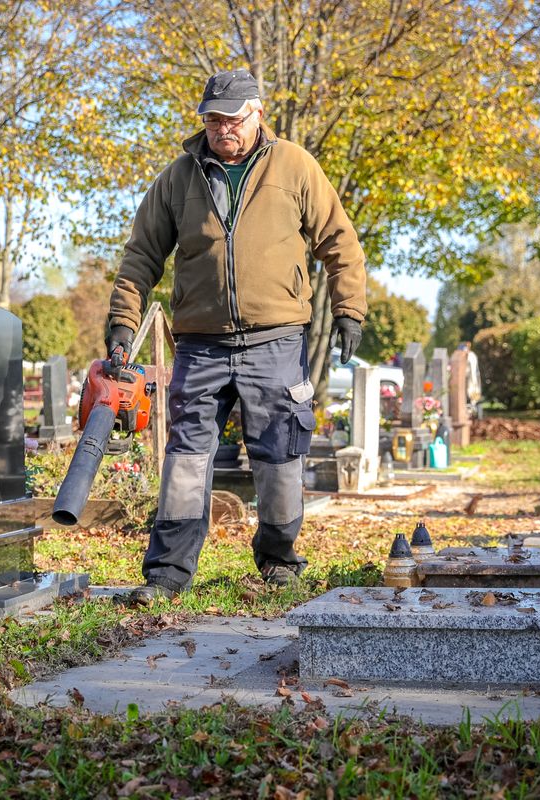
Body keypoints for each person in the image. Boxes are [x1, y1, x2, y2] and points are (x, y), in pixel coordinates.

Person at [106, 68, 367, 607]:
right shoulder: (178, 178)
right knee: (186, 459)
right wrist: (122, 327)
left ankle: (279, 561)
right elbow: (140, 260)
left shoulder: (294, 165)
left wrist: (349, 310)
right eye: (212, 119)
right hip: (201, 343)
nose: (222, 128)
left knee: (278, 456)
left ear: (257, 115)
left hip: (275, 338)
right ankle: (168, 574)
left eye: (231, 119)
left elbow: (339, 241)